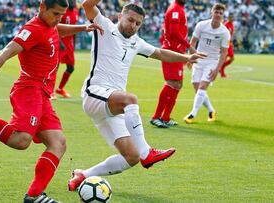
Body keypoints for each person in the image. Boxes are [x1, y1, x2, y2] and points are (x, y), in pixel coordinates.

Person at [0, 0, 103, 202]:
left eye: (61, 15)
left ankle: (34, 196)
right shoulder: (32, 29)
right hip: (29, 90)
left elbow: (57, 29)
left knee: (58, 143)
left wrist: (83, 27)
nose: (58, 19)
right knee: (21, 140)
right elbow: (6, 52)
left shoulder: (49, 24)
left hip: (42, 94)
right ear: (42, 7)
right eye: (55, 14)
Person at [68, 0, 206, 191]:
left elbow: (160, 53)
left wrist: (187, 58)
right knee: (130, 99)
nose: (133, 26)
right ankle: (147, 152)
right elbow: (87, 6)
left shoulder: (136, 42)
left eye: (137, 23)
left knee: (131, 157)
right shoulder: (105, 26)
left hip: (111, 106)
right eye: (130, 20)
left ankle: (83, 174)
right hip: (95, 94)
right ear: (120, 17)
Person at [150, 0, 196, 128]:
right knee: (171, 82)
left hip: (178, 50)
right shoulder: (175, 9)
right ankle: (156, 117)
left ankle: (165, 117)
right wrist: (189, 46)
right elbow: (174, 31)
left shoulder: (179, 8)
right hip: (172, 51)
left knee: (178, 84)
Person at [184, 3, 230, 124]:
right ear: (212, 12)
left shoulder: (225, 32)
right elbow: (192, 42)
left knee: (202, 87)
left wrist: (217, 69)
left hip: (212, 62)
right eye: (216, 12)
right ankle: (211, 110)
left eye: (221, 13)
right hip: (198, 59)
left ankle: (192, 114)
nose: (218, 15)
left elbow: (224, 52)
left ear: (223, 15)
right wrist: (190, 57)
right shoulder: (201, 25)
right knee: (197, 88)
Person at [55, 0, 79, 98]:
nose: (73, 2)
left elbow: (74, 28)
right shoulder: (62, 11)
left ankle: (60, 89)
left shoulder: (76, 11)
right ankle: (49, 91)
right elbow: (55, 27)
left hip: (69, 44)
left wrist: (74, 42)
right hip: (60, 41)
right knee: (54, 68)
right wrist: (60, 42)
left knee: (71, 68)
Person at [220, 13, 235, 78]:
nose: (232, 19)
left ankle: (220, 68)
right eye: (231, 18)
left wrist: (231, 43)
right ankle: (222, 73)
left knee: (232, 58)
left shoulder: (232, 25)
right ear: (228, 18)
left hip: (229, 44)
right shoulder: (225, 25)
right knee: (224, 58)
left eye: (233, 18)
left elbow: (231, 35)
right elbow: (222, 34)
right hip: (225, 44)